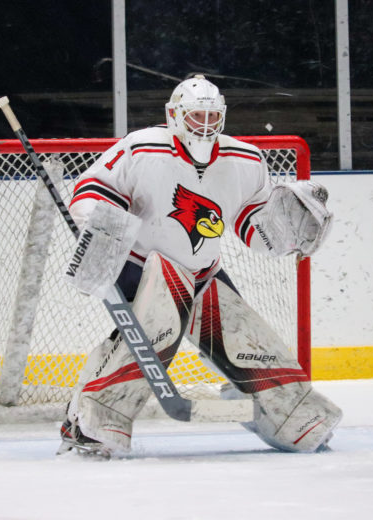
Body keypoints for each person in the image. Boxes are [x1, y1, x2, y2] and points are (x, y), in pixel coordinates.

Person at [57, 74, 342, 457]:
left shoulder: (246, 159)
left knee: (249, 343)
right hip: (146, 268)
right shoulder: (141, 147)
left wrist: (287, 229)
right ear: (174, 114)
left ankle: (291, 414)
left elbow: (253, 229)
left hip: (205, 273)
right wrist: (98, 223)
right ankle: (90, 420)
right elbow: (95, 187)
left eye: (211, 117)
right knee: (153, 336)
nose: (204, 126)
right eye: (195, 116)